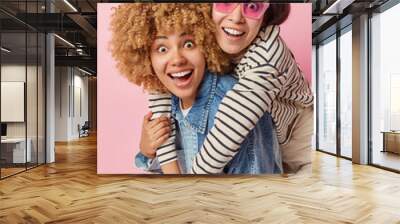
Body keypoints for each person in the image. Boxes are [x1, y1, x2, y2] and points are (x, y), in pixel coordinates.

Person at [110, 3, 282, 174]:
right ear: (146, 58)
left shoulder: (237, 107)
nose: (177, 59)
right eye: (162, 48)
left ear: (207, 44)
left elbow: (254, 192)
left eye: (189, 44)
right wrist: (147, 151)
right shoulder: (168, 99)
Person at [149, 3, 314, 174]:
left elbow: (225, 137)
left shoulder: (268, 57)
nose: (236, 18)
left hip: (297, 135)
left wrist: (189, 188)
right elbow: (161, 88)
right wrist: (169, 167)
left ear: (267, 13)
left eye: (252, 5)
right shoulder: (205, 29)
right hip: (264, 131)